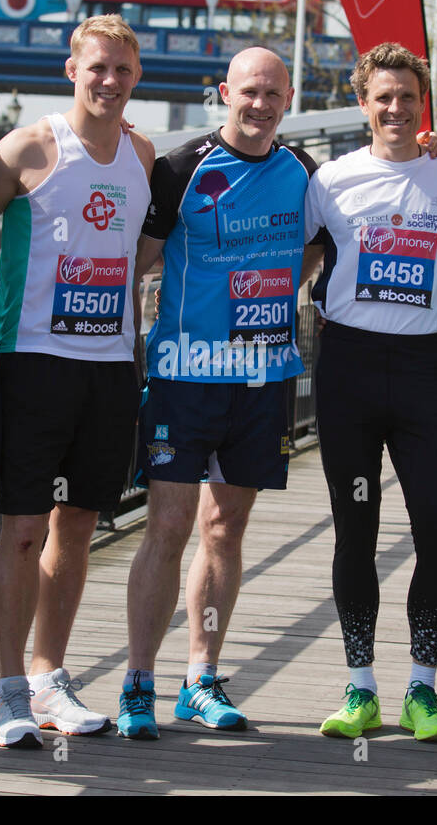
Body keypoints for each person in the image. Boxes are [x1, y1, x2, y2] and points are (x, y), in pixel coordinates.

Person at [115, 47, 319, 739]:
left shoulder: (303, 172)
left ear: (288, 98)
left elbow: (321, 243)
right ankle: (138, 680)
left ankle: (200, 678)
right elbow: (135, 262)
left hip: (262, 381)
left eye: (273, 94)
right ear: (224, 93)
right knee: (169, 528)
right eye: (248, 92)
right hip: (184, 379)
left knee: (225, 531)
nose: (259, 104)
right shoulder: (180, 170)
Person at [0, 15, 154, 747]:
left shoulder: (144, 154)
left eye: (122, 69)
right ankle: (8, 690)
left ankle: (50, 676)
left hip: (110, 366)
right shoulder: (28, 146)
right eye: (97, 68)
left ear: (136, 76)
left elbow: (146, 249)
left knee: (78, 527)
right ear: (72, 70)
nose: (109, 81)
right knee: (22, 529)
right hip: (30, 362)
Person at [301, 44, 437, 743]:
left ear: (422, 101)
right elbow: (300, 258)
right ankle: (362, 686)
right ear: (364, 103)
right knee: (357, 533)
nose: (397, 109)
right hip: (345, 368)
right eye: (383, 98)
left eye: (408, 96)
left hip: (419, 369)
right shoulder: (332, 179)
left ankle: (424, 690)